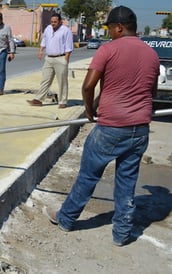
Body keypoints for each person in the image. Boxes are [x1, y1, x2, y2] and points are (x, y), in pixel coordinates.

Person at [46, 6, 160, 246]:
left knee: (88, 175)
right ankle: (121, 235)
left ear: (119, 27)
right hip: (139, 129)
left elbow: (88, 86)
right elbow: (150, 92)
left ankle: (66, 219)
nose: (109, 33)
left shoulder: (108, 49)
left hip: (111, 128)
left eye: (110, 28)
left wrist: (89, 111)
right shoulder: (151, 54)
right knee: (127, 183)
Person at [27, 13, 73, 108]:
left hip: (61, 58)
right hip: (49, 58)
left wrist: (66, 60)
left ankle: (63, 101)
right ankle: (38, 100)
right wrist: (41, 51)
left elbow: (69, 47)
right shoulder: (48, 29)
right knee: (45, 79)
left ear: (60, 21)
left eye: (55, 22)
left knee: (62, 81)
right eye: (52, 22)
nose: (53, 23)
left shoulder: (66, 31)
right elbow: (44, 40)